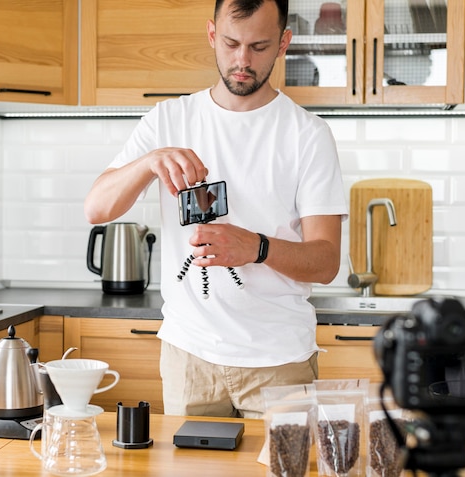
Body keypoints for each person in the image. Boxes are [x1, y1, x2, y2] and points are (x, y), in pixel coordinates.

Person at [84, 0, 348, 418]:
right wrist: (148, 162)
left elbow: (326, 261)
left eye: (259, 47)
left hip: (278, 363)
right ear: (212, 35)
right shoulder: (167, 119)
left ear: (284, 43)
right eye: (231, 43)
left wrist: (257, 247)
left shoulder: (308, 135)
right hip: (189, 359)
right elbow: (96, 209)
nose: (242, 61)